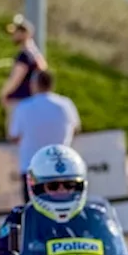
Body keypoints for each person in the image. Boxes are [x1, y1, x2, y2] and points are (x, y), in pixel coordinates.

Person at [9, 70, 80, 203]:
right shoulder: (66, 105)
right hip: (62, 169)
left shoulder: (23, 107)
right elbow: (76, 129)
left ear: (35, 84)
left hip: (32, 168)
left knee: (34, 213)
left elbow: (14, 135)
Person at [0, 14, 47, 133]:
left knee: (16, 137)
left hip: (19, 102)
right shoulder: (35, 53)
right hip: (32, 102)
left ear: (24, 33)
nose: (13, 35)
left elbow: (15, 79)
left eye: (16, 32)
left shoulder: (24, 55)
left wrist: (3, 93)